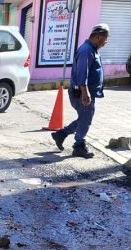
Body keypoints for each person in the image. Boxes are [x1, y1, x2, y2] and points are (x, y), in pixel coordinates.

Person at [51, 24, 110, 158]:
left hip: (85, 91)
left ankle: (61, 135)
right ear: (98, 37)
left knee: (84, 118)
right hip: (81, 92)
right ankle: (78, 145)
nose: (106, 42)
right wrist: (85, 91)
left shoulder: (92, 49)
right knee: (86, 119)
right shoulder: (86, 51)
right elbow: (82, 72)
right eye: (105, 38)